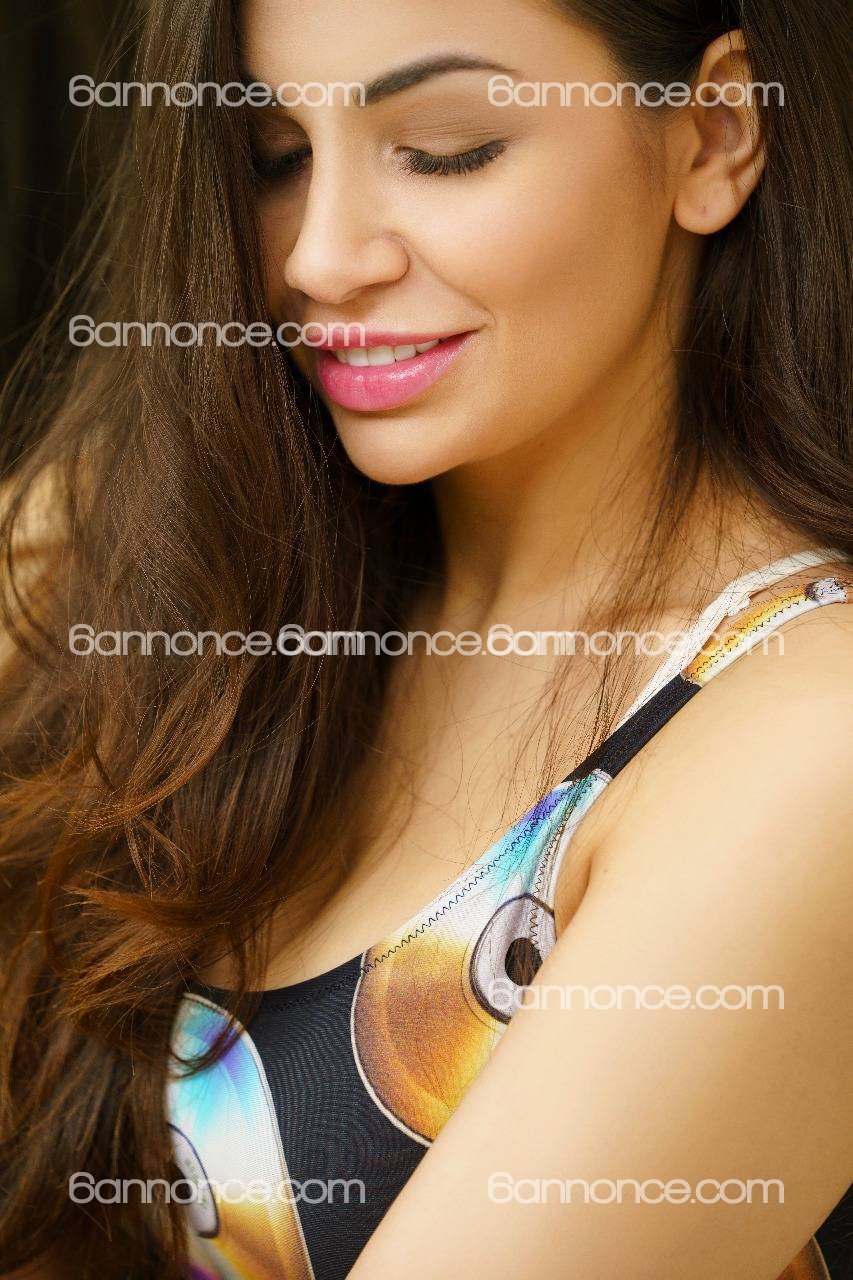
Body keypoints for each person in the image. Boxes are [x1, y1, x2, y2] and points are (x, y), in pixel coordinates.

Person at [1, 1, 851, 1277]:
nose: (321, 259)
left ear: (714, 132)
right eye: (275, 159)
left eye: (447, 148)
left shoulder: (805, 743)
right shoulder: (141, 542)